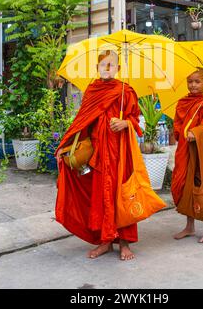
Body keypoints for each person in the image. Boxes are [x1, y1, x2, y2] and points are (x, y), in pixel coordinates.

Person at [55, 50, 146, 260]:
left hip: (121, 153)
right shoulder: (92, 90)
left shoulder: (126, 91)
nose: (106, 68)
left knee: (121, 196)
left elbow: (137, 119)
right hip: (98, 153)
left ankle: (124, 243)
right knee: (101, 196)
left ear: (118, 69)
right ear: (97, 67)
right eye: (103, 64)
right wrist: (65, 146)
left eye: (111, 65)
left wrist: (125, 123)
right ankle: (105, 241)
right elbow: (82, 121)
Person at [171, 67, 203, 244]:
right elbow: (177, 124)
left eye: (197, 81)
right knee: (184, 184)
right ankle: (190, 226)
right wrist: (181, 133)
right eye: (190, 81)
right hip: (185, 148)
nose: (193, 85)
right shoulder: (182, 102)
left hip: (202, 149)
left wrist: (197, 131)